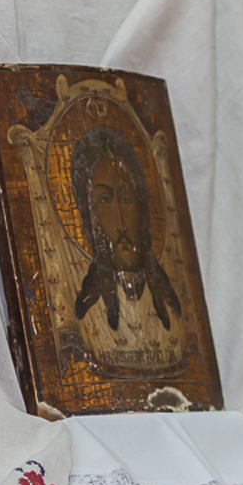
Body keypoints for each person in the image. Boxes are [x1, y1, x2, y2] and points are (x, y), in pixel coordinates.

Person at [70, 125, 181, 331]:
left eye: (125, 197)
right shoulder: (87, 312)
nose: (120, 217)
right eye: (104, 200)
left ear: (141, 204)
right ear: (91, 215)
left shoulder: (172, 304)